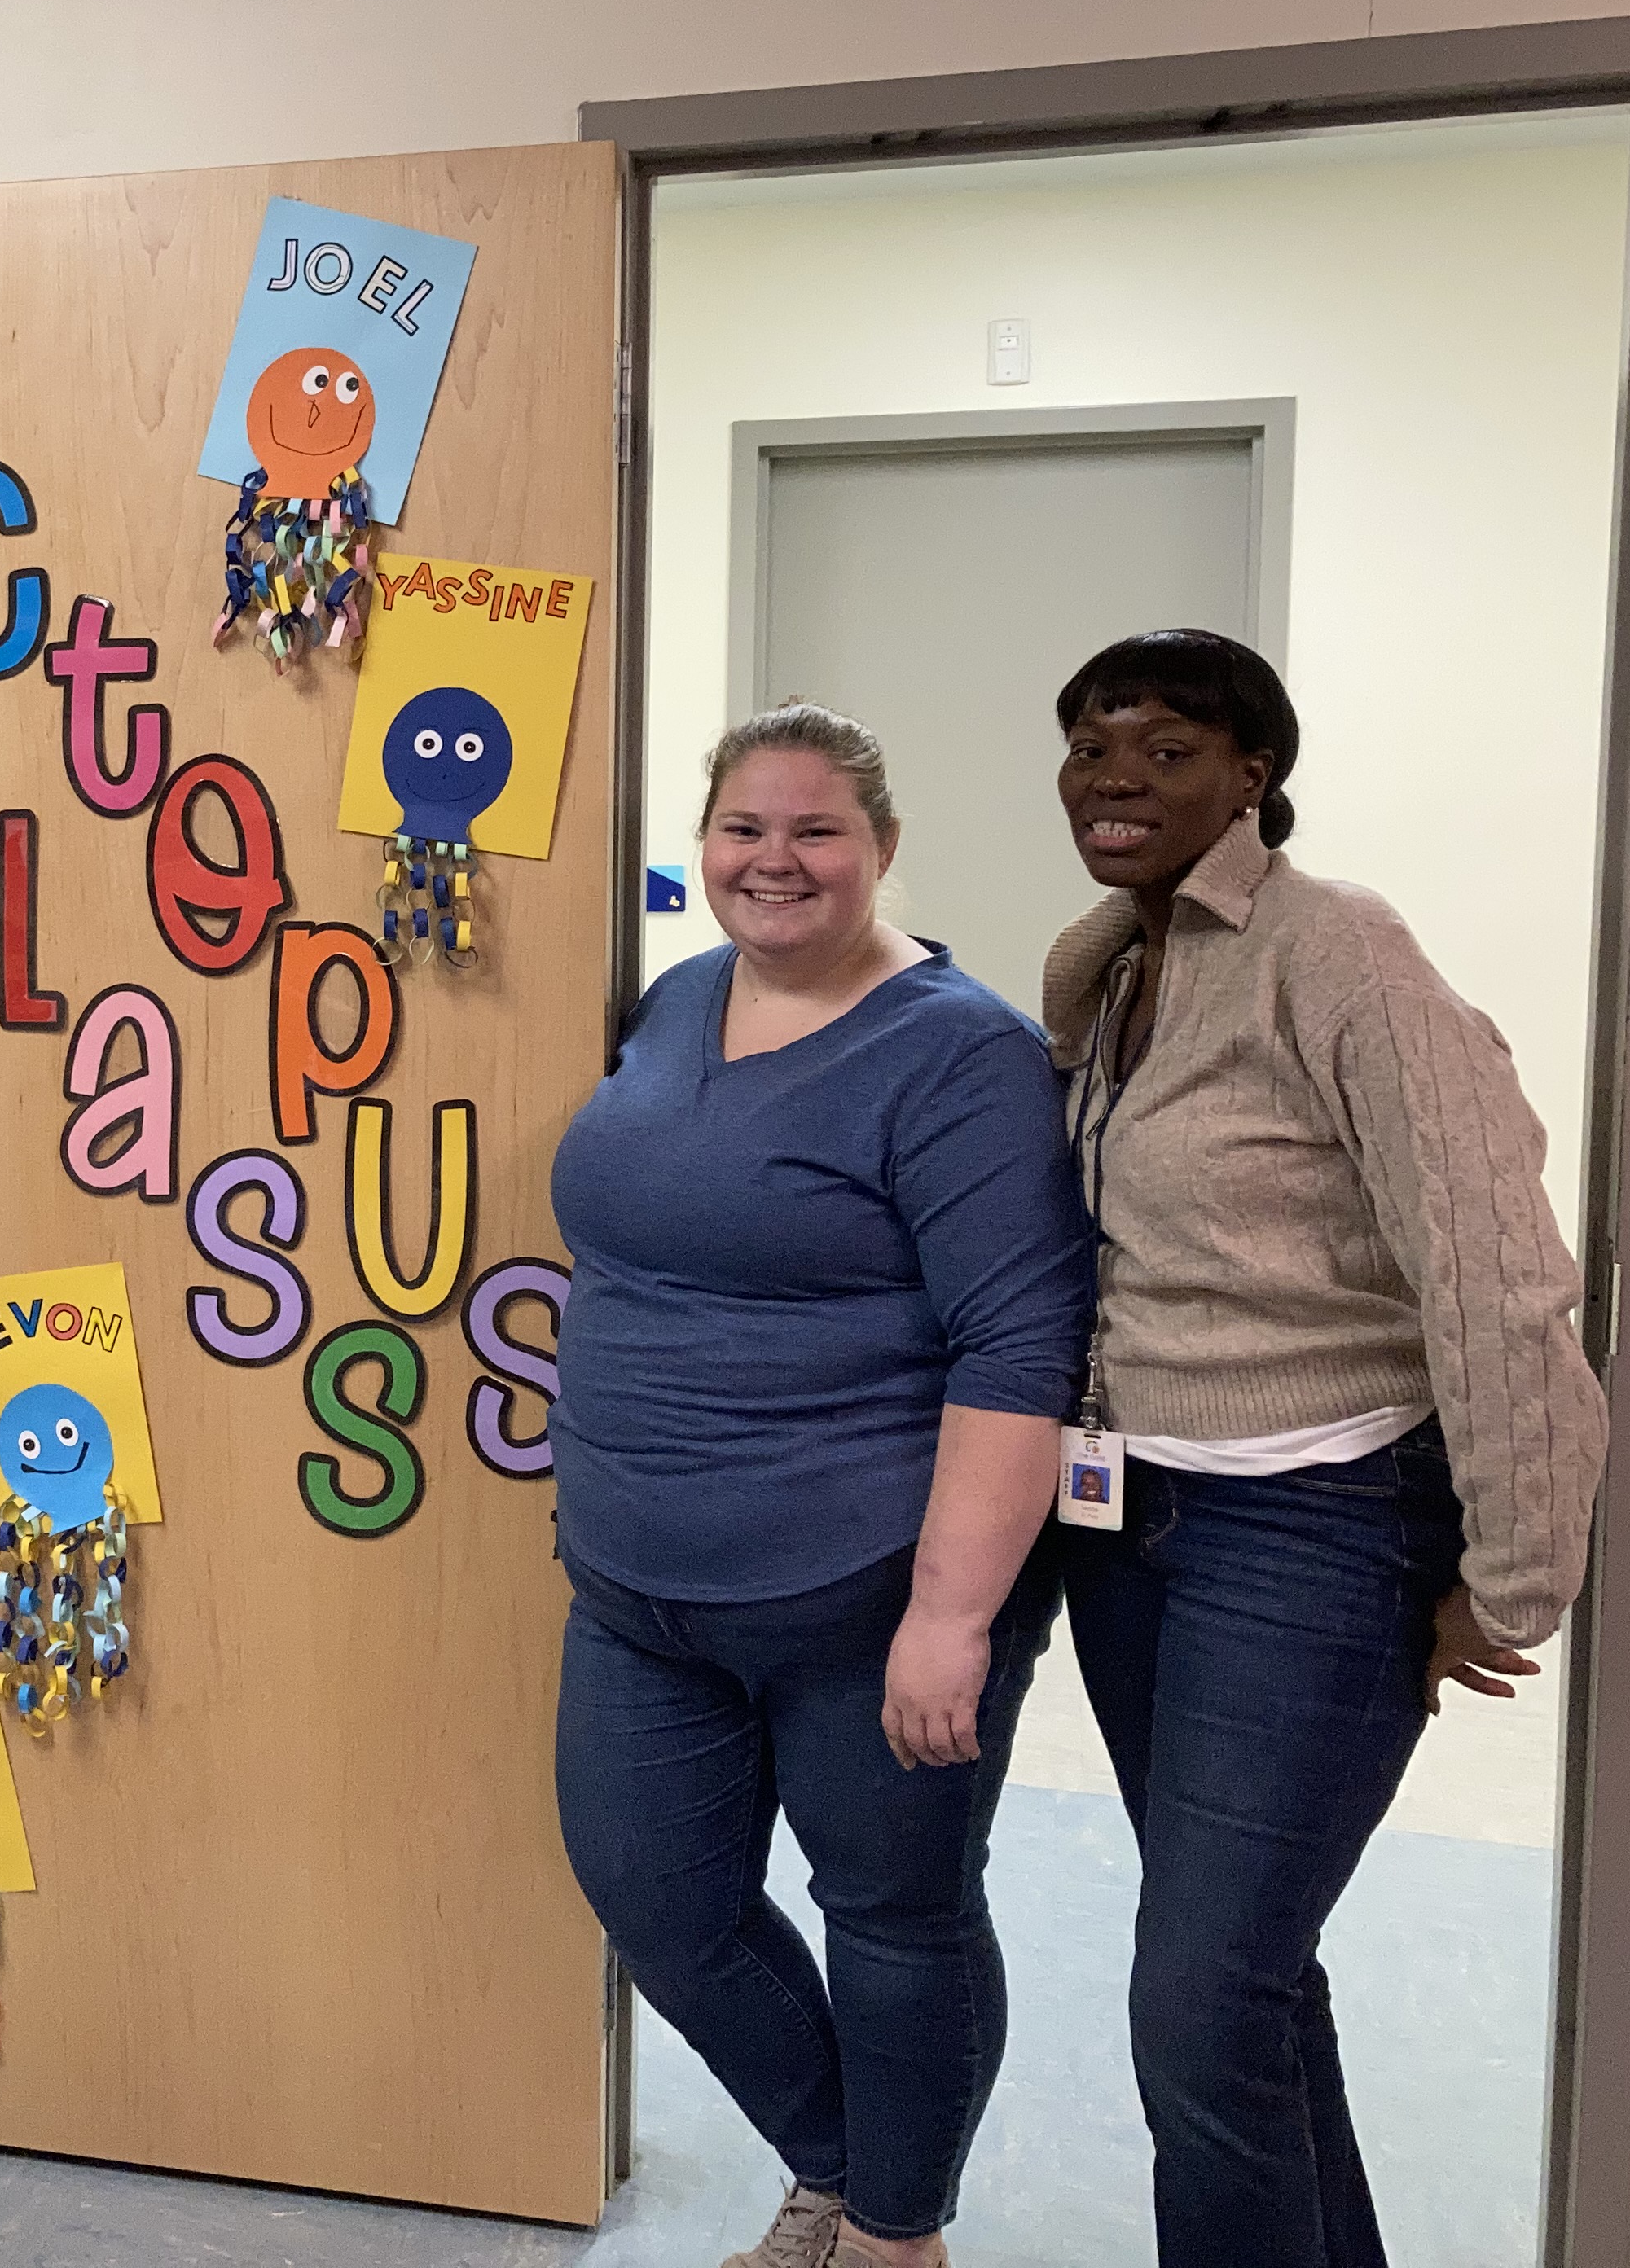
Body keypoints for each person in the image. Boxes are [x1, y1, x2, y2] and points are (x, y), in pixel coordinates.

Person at [1042, 630, 1607, 2268]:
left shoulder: (1338, 951)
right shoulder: (1113, 967)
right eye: (1090, 747)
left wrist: (1514, 1564)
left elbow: (1493, 1264)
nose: (1115, 780)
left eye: (1165, 749)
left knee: (1201, 2005)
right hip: (1133, 1529)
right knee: (1255, 1985)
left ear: (1253, 776)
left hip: (1318, 1524)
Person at [549, 704, 1094, 2268]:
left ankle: (892, 2233)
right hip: (638, 1586)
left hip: (865, 1593)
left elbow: (1020, 1347)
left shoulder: (963, 1055)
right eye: (743, 829)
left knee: (896, 1917)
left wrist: (952, 1618)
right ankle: (851, 2175)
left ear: (882, 847)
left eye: (815, 831)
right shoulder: (675, 1002)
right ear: (704, 844)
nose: (773, 861)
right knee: (659, 1901)